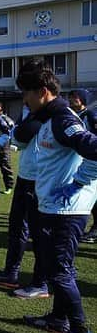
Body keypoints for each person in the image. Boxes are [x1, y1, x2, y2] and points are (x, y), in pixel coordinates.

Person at [17, 63, 97, 333]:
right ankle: (59, 319)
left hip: (67, 209)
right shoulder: (50, 119)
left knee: (60, 271)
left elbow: (92, 148)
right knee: (56, 268)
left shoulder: (63, 119)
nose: (24, 99)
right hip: (53, 204)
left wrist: (78, 183)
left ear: (43, 91)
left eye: (26, 93)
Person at [0, 100, 49, 298]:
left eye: (28, 92)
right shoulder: (29, 113)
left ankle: (41, 283)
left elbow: (18, 137)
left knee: (40, 234)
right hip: (26, 175)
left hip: (43, 179)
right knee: (17, 227)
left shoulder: (54, 116)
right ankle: (10, 273)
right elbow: (15, 137)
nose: (25, 98)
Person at [69, 89, 97, 244]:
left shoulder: (90, 115)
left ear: (83, 100)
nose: (72, 99)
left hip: (91, 162)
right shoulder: (71, 116)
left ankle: (95, 230)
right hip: (77, 161)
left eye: (75, 97)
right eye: (71, 97)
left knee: (92, 197)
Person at [0, 101, 15, 195]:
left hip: (4, 145)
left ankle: (9, 186)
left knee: (5, 165)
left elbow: (12, 128)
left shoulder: (4, 118)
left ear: (0, 108)